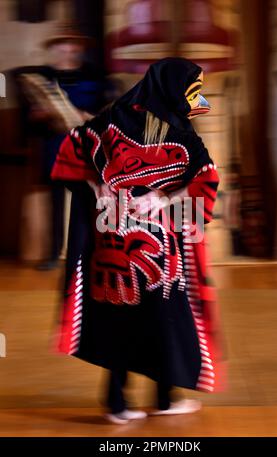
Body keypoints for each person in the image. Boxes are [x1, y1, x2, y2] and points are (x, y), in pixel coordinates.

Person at [51, 57, 225, 424]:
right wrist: (165, 198)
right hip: (157, 249)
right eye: (193, 90)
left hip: (109, 241)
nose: (197, 98)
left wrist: (96, 184)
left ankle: (118, 403)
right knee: (165, 319)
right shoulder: (183, 138)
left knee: (118, 317)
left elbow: (70, 149)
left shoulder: (108, 123)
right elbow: (207, 180)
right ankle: (164, 398)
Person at [13, 23, 117, 270]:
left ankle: (94, 252)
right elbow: (29, 114)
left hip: (87, 145)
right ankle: (53, 253)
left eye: (72, 43)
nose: (67, 48)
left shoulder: (95, 75)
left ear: (79, 47)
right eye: (62, 44)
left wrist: (87, 116)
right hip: (56, 147)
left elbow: (108, 110)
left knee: (90, 200)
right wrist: (38, 114)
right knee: (56, 203)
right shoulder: (44, 76)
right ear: (55, 47)